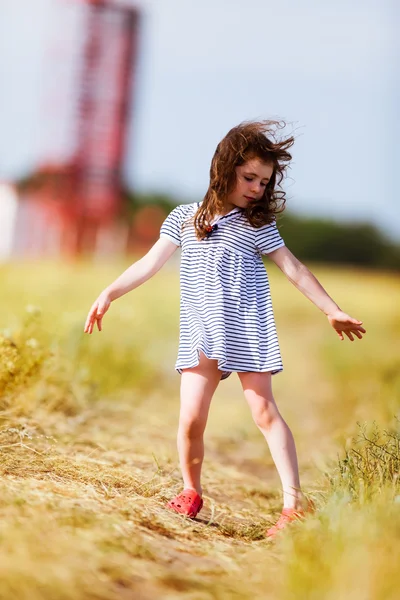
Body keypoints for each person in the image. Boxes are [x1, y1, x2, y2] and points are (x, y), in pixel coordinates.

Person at [84, 120, 366, 538]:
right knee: (190, 420)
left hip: (247, 329)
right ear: (224, 169)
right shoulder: (185, 217)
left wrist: (331, 309)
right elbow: (148, 263)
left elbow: (294, 269)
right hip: (201, 333)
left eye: (264, 181)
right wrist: (109, 292)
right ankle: (190, 491)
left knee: (264, 412)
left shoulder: (257, 225)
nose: (256, 187)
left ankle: (294, 504)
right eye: (249, 177)